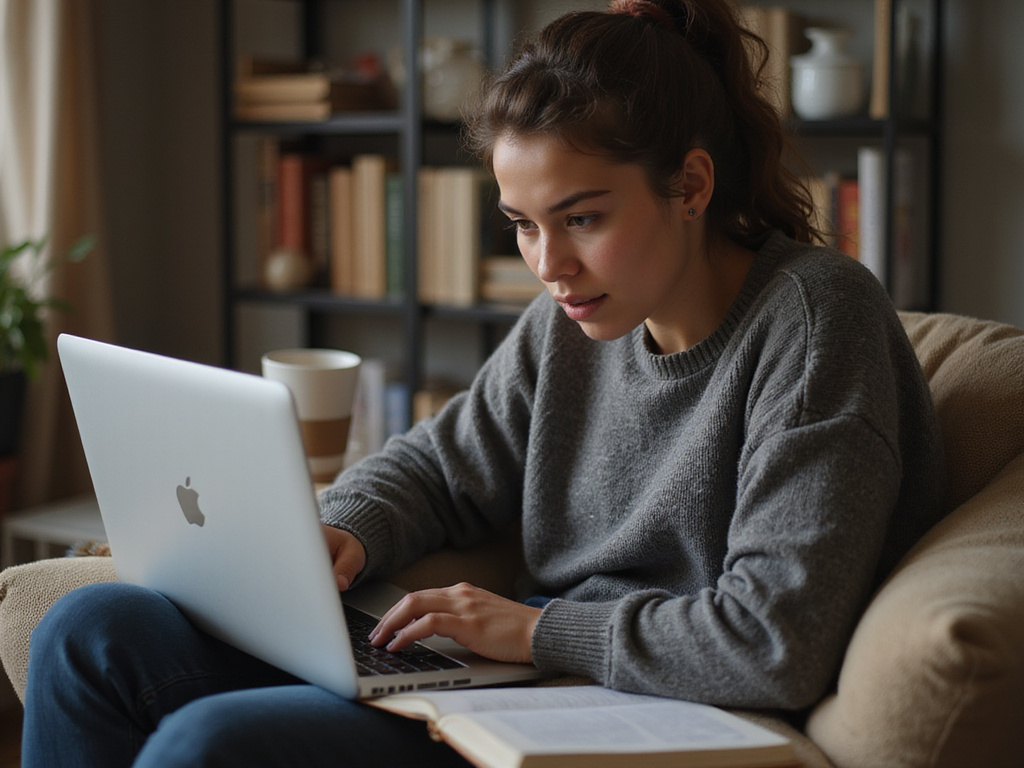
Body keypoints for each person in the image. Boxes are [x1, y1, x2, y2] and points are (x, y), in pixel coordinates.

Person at [22, 0, 946, 765]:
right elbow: (437, 465)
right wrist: (346, 527)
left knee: (209, 742)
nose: (551, 264)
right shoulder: (574, 321)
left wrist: (531, 634)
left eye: (581, 218)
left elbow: (774, 641)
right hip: (518, 678)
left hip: (633, 713)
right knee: (90, 629)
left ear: (692, 183)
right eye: (523, 224)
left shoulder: (817, 319)